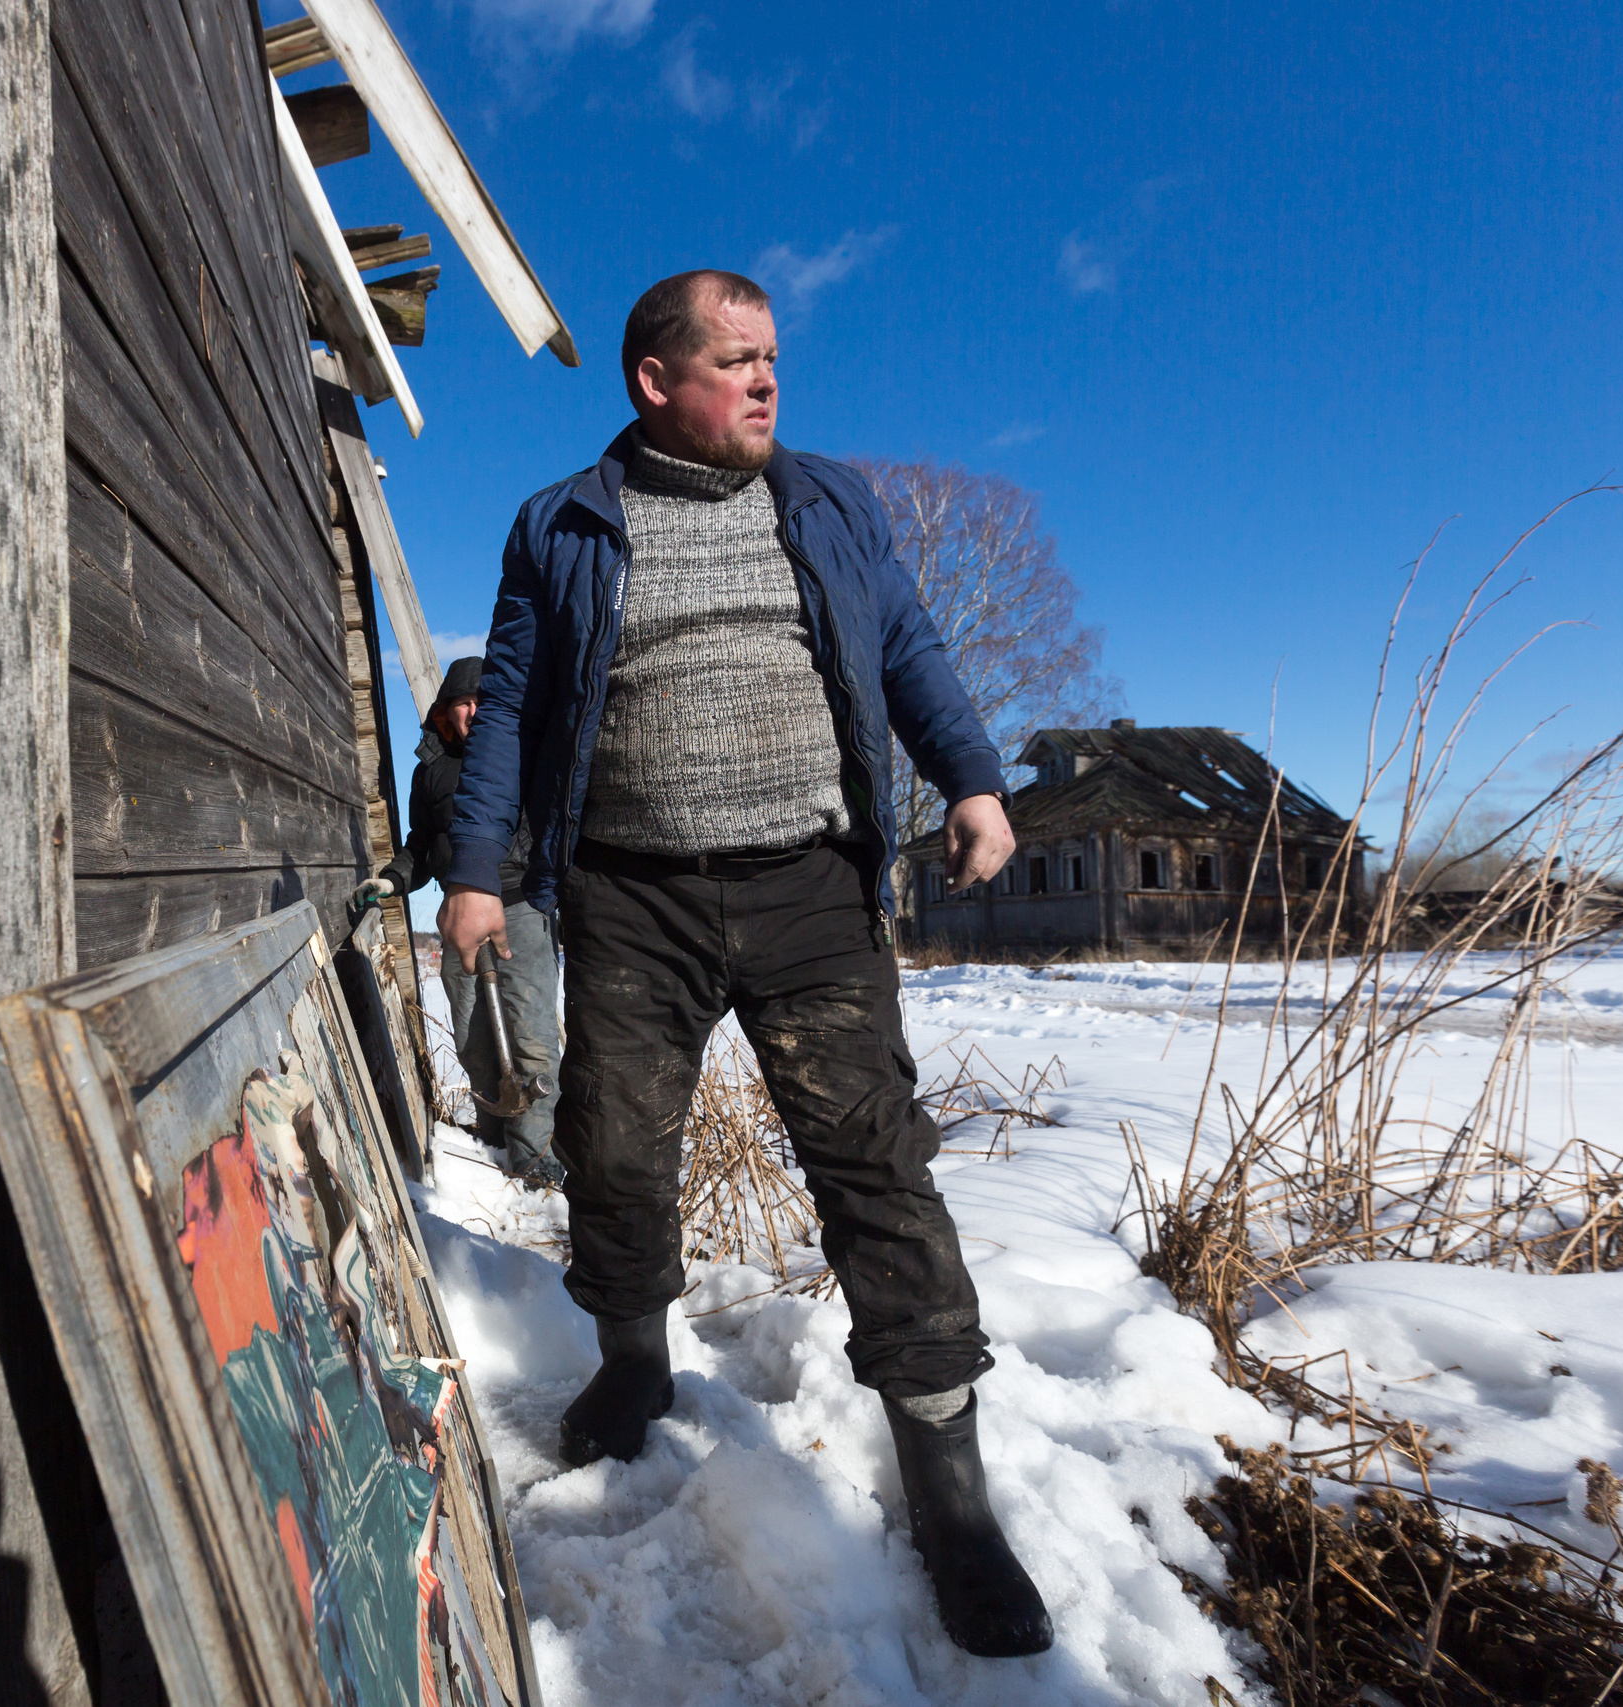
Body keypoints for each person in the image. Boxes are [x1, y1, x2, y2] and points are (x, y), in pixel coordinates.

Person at [436, 270, 1051, 1657]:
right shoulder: (566, 522)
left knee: (875, 1160)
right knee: (611, 1141)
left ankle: (953, 1498)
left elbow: (905, 642)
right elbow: (518, 708)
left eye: (774, 357)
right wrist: (477, 874)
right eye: (737, 361)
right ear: (656, 382)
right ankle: (635, 1364)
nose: (769, 381)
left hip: (810, 892)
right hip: (629, 894)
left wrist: (972, 777)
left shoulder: (826, 501)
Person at [354, 658, 564, 1186]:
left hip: (518, 908)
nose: (470, 713)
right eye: (460, 703)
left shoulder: (517, 756)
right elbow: (421, 847)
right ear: (446, 710)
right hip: (456, 918)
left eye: (478, 702)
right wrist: (394, 879)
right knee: (473, 1040)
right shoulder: (430, 771)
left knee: (533, 1039)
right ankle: (493, 1143)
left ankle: (535, 1160)